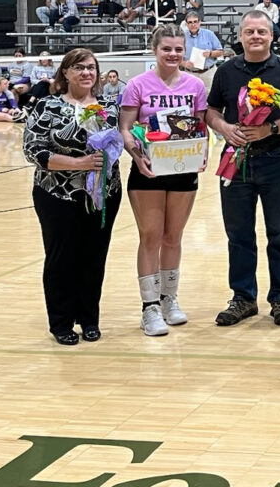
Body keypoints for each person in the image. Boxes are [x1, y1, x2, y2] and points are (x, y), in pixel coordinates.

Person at [206, 10, 280, 327]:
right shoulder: (225, 71)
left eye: (262, 31)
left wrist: (271, 129)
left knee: (279, 233)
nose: (256, 37)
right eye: (250, 32)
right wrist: (223, 127)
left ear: (272, 35)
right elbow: (211, 110)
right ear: (241, 35)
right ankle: (243, 298)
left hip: (275, 159)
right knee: (238, 235)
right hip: (235, 160)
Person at [23, 48, 122, 345]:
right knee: (61, 258)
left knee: (94, 257)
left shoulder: (108, 106)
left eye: (91, 67)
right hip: (56, 194)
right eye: (78, 67)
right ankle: (61, 322)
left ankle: (89, 318)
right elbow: (34, 150)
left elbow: (121, 141)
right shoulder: (47, 105)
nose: (86, 73)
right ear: (65, 72)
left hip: (102, 193)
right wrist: (78, 164)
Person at [119, 24, 208, 337]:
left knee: (173, 237)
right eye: (167, 49)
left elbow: (199, 127)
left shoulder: (196, 86)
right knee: (151, 237)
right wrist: (136, 155)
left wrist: (202, 151)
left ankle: (170, 299)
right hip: (149, 171)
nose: (173, 54)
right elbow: (126, 129)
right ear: (154, 50)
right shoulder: (138, 85)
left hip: (183, 169)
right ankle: (150, 307)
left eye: (178, 49)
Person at [181, 13, 225, 95]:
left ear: (199, 22)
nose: (193, 24)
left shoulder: (209, 34)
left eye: (195, 21)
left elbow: (221, 52)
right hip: (190, 73)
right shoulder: (182, 37)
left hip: (208, 73)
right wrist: (183, 63)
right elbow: (177, 57)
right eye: (190, 22)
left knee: (211, 98)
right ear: (186, 24)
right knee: (190, 99)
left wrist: (211, 53)